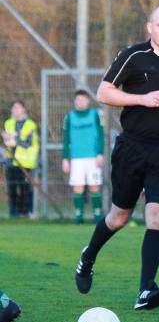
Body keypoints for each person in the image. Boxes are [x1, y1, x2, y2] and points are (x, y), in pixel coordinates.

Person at [73, 5, 159, 311]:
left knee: (158, 217)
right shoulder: (134, 55)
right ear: (149, 27)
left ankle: (145, 289)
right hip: (133, 149)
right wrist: (141, 99)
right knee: (119, 217)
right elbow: (104, 92)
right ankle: (88, 256)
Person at [62, 90, 105, 224]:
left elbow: (101, 135)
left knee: (94, 186)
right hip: (76, 158)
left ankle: (97, 217)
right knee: (78, 187)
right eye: (78, 99)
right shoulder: (69, 117)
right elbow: (66, 139)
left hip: (93, 157)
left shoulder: (95, 115)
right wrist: (65, 158)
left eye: (83, 99)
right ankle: (79, 217)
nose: (80, 102)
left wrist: (100, 153)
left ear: (88, 100)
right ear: (75, 101)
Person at [2, 100, 39, 217]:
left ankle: (26, 212)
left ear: (24, 109)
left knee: (25, 188)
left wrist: (14, 138)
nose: (15, 110)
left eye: (18, 107)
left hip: (25, 163)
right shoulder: (8, 123)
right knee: (11, 188)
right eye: (14, 108)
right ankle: (13, 213)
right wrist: (7, 138)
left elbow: (27, 143)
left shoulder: (30, 124)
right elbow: (7, 141)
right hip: (10, 161)